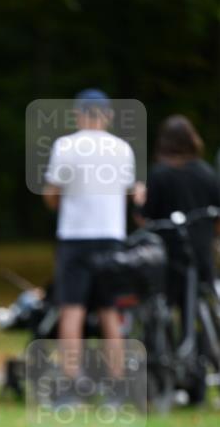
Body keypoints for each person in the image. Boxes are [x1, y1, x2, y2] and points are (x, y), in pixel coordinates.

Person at [43, 89, 137, 403]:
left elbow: (52, 194)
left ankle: (71, 387)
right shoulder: (122, 149)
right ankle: (117, 387)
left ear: (78, 114)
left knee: (72, 311)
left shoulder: (65, 146)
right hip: (111, 237)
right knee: (111, 312)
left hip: (75, 237)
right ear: (108, 115)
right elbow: (126, 193)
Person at [136, 115, 220, 307]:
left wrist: (139, 202)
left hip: (169, 255)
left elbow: (145, 220)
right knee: (201, 301)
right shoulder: (206, 172)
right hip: (202, 251)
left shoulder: (159, 173)